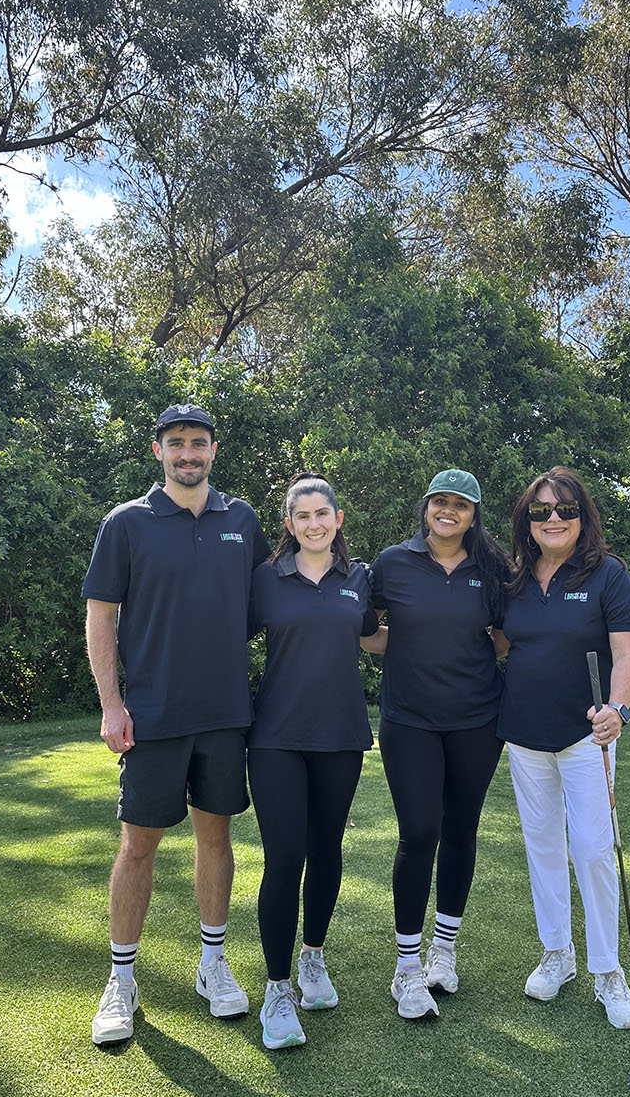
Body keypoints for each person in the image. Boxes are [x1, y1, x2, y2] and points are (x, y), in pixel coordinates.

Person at [83, 404, 269, 1045]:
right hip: (153, 717)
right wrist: (112, 702)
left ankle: (212, 964)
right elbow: (101, 616)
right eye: (176, 443)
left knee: (216, 840)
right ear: (159, 450)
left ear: (214, 449)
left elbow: (276, 599)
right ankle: (122, 979)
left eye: (199, 442)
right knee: (138, 846)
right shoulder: (126, 523)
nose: (188, 453)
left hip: (224, 716)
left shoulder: (241, 520)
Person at [493, 466, 630, 1029]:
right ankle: (558, 954)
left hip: (587, 735)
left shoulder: (608, 574)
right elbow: (497, 642)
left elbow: (626, 654)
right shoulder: (514, 579)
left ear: (582, 517)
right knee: (543, 848)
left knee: (593, 849)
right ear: (527, 522)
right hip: (525, 735)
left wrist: (618, 709)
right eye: (540, 511)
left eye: (564, 510)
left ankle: (608, 970)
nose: (552, 519)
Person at [247, 473, 385, 1049]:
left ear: (338, 519)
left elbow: (380, 638)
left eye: (322, 513)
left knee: (327, 849)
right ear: (288, 524)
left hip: (340, 735)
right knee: (285, 857)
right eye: (302, 516)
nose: (313, 524)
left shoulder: (360, 579)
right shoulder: (264, 579)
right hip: (275, 737)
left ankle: (312, 960)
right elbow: (223, 636)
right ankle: (276, 990)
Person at [370, 469, 509, 1019]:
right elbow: (366, 629)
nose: (448, 511)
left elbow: (503, 636)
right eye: (440, 502)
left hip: (478, 718)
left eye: (461, 505)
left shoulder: (492, 568)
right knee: (419, 831)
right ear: (426, 507)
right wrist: (405, 646)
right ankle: (406, 969)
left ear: (474, 515)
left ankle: (443, 952)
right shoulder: (393, 563)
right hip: (409, 720)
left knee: (460, 829)